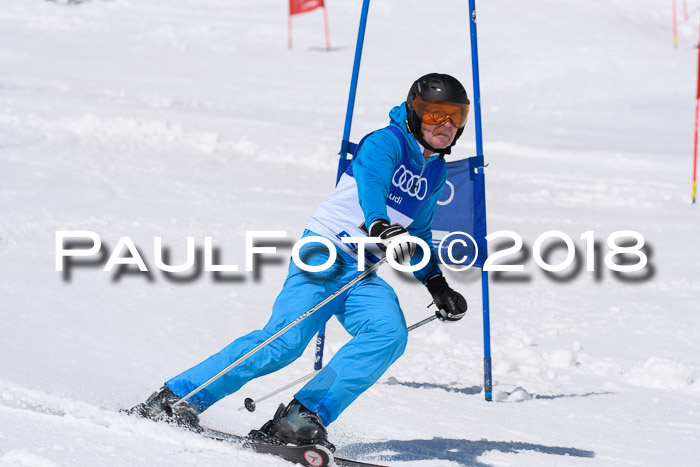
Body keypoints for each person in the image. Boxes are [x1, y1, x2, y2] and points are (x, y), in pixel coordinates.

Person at [128, 73, 470, 451]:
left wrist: (437, 285)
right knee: (285, 341)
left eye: (455, 116)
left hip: (362, 272)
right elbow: (371, 184)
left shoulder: (435, 169)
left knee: (388, 333)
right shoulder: (385, 142)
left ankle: (299, 417)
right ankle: (176, 399)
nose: (446, 125)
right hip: (324, 251)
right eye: (434, 114)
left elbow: (419, 231)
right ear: (413, 113)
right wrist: (378, 224)